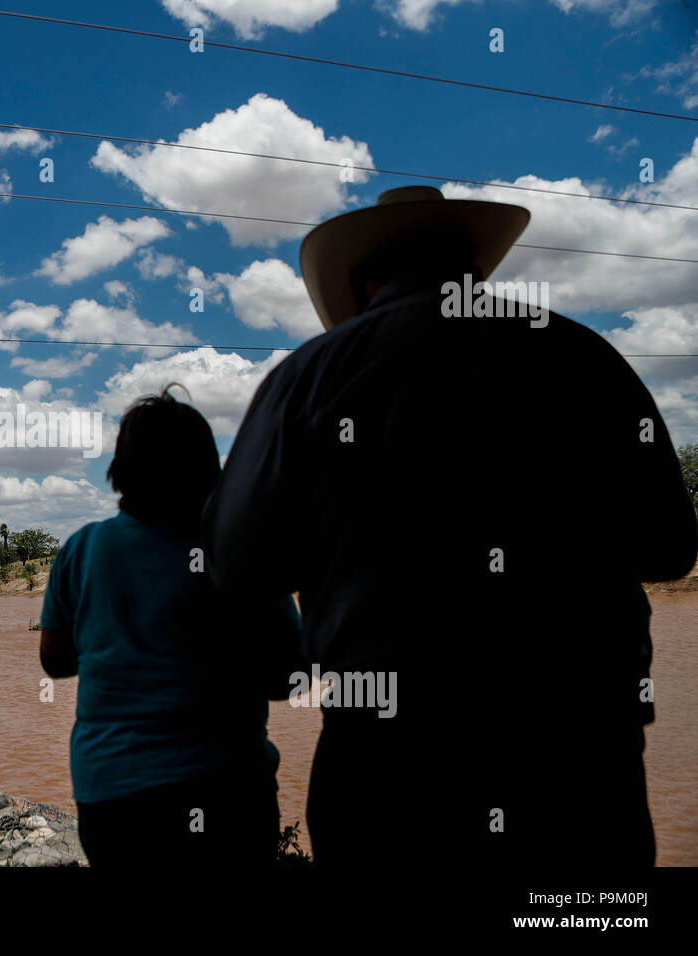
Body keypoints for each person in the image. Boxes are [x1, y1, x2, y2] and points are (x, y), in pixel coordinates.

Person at [203, 185, 698, 868]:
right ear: (472, 264)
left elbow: (234, 565)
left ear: (361, 281)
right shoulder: (588, 359)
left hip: (389, 767)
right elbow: (670, 547)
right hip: (584, 760)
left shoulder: (306, 378)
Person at [40, 386, 303, 867]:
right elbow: (286, 678)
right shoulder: (239, 550)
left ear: (121, 472)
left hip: (111, 795)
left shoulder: (80, 549)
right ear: (208, 470)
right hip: (228, 790)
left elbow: (55, 663)